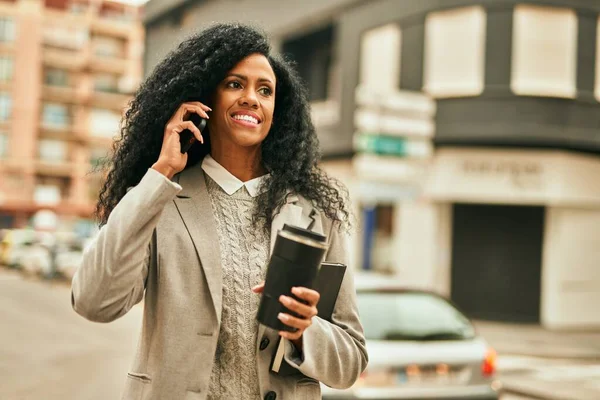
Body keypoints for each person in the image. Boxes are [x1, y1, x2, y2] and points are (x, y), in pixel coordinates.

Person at [71, 23, 367, 400]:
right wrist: (160, 172)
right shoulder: (160, 200)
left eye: (265, 90)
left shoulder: (314, 212)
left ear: (277, 112)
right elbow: (94, 301)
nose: (251, 98)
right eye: (234, 84)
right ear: (204, 97)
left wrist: (305, 329)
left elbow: (351, 361)